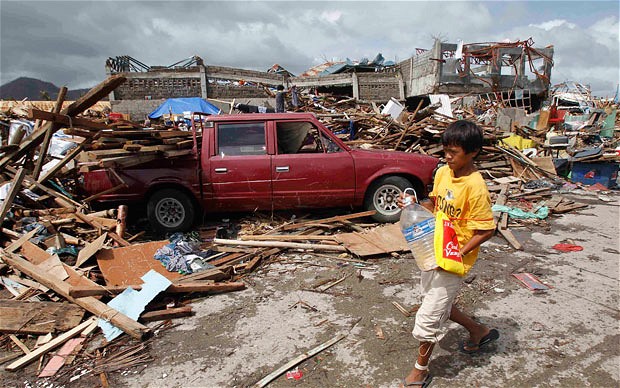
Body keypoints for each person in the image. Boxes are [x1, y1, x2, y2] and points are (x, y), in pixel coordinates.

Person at [399, 120, 498, 387]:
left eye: (454, 152)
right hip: (433, 250)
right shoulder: (443, 172)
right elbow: (434, 203)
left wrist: (457, 254)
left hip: (454, 261)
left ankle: (420, 371)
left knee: (429, 317)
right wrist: (414, 205)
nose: (447, 157)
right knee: (437, 301)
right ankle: (480, 331)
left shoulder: (475, 187)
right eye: (445, 151)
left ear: (473, 152)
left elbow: (486, 230)